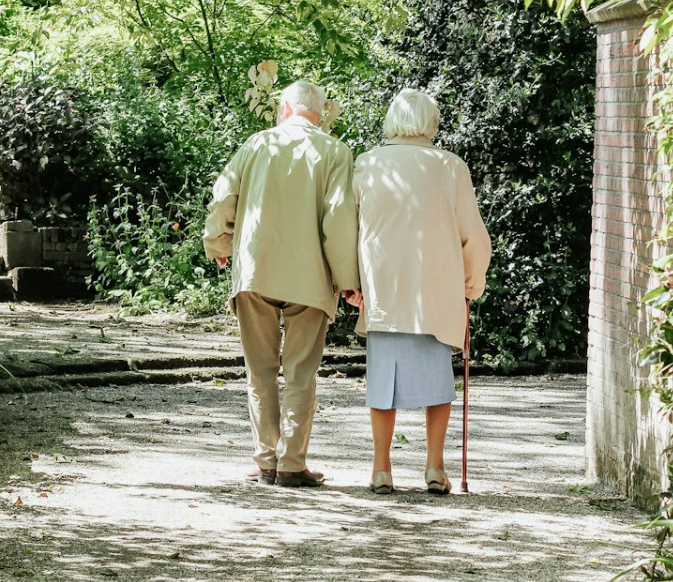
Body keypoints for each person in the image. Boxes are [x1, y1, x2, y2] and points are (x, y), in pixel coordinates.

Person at [203, 80, 360, 488]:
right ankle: (291, 464)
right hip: (310, 277)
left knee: (260, 371)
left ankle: (266, 461)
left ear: (285, 108)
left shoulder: (256, 144)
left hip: (256, 271)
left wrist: (218, 243)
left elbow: (223, 198)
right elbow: (339, 220)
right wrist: (348, 280)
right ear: (320, 114)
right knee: (301, 372)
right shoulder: (336, 152)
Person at [350, 88, 491, 495]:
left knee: (382, 382)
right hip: (436, 290)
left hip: (384, 288)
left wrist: (351, 283)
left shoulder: (367, 164)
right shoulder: (450, 167)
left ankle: (381, 469)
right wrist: (472, 283)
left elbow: (350, 228)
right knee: (438, 381)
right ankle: (434, 467)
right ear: (432, 122)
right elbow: (473, 235)